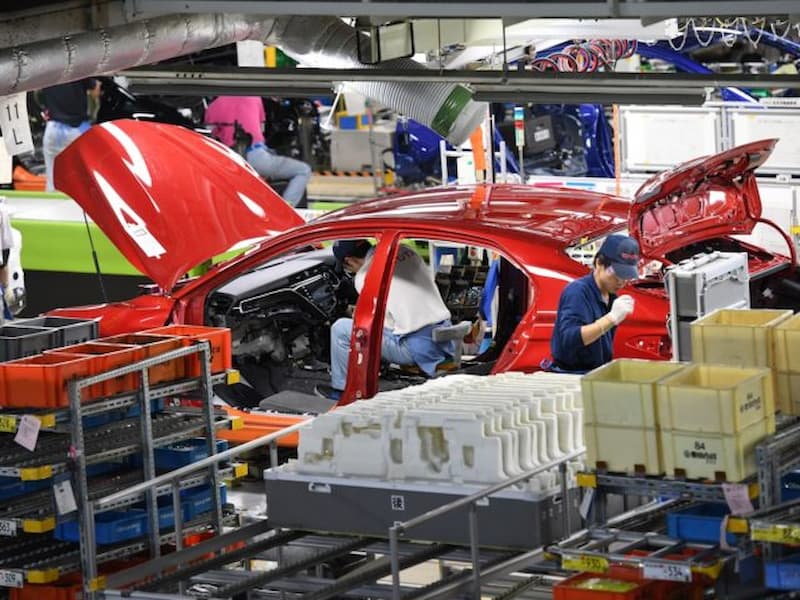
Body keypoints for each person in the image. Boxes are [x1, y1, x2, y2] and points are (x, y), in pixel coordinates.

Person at [315, 240, 454, 400]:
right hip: (445, 334)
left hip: (419, 347)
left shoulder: (365, 276)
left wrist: (356, 315)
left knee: (341, 328)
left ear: (349, 261)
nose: (350, 271)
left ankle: (343, 392)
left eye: (347, 268)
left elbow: (378, 323)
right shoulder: (404, 250)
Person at [549, 234, 639, 373]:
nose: (621, 281)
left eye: (625, 276)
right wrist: (611, 319)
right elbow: (570, 339)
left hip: (595, 373)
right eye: (616, 274)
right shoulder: (578, 291)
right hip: (571, 375)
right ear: (598, 263)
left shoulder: (612, 298)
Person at [203, 96, 312, 207]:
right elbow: (262, 128)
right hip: (255, 155)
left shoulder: (213, 106)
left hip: (228, 159)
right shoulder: (254, 97)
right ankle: (286, 207)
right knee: (303, 170)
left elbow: (210, 135)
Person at [40, 78, 101, 191]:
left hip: (53, 129)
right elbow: (95, 91)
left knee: (52, 176)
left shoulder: (48, 71)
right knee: (82, 178)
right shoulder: (78, 70)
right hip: (77, 130)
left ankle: (52, 197)